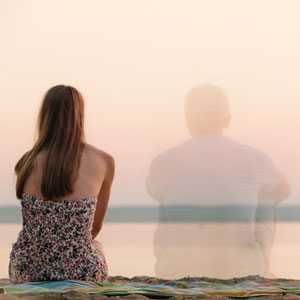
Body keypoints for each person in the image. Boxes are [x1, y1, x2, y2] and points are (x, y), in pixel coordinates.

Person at [146, 84, 291, 279]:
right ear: (227, 120)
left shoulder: (164, 160)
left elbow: (152, 190)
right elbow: (284, 190)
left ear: (188, 120)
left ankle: (171, 259)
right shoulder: (255, 158)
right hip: (244, 271)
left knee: (166, 197)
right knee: (266, 196)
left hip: (175, 272)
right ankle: (261, 266)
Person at [9, 85, 115, 283]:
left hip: (27, 270)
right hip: (81, 272)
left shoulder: (27, 161)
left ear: (45, 116)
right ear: (79, 115)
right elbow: (96, 227)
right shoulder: (104, 161)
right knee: (97, 245)